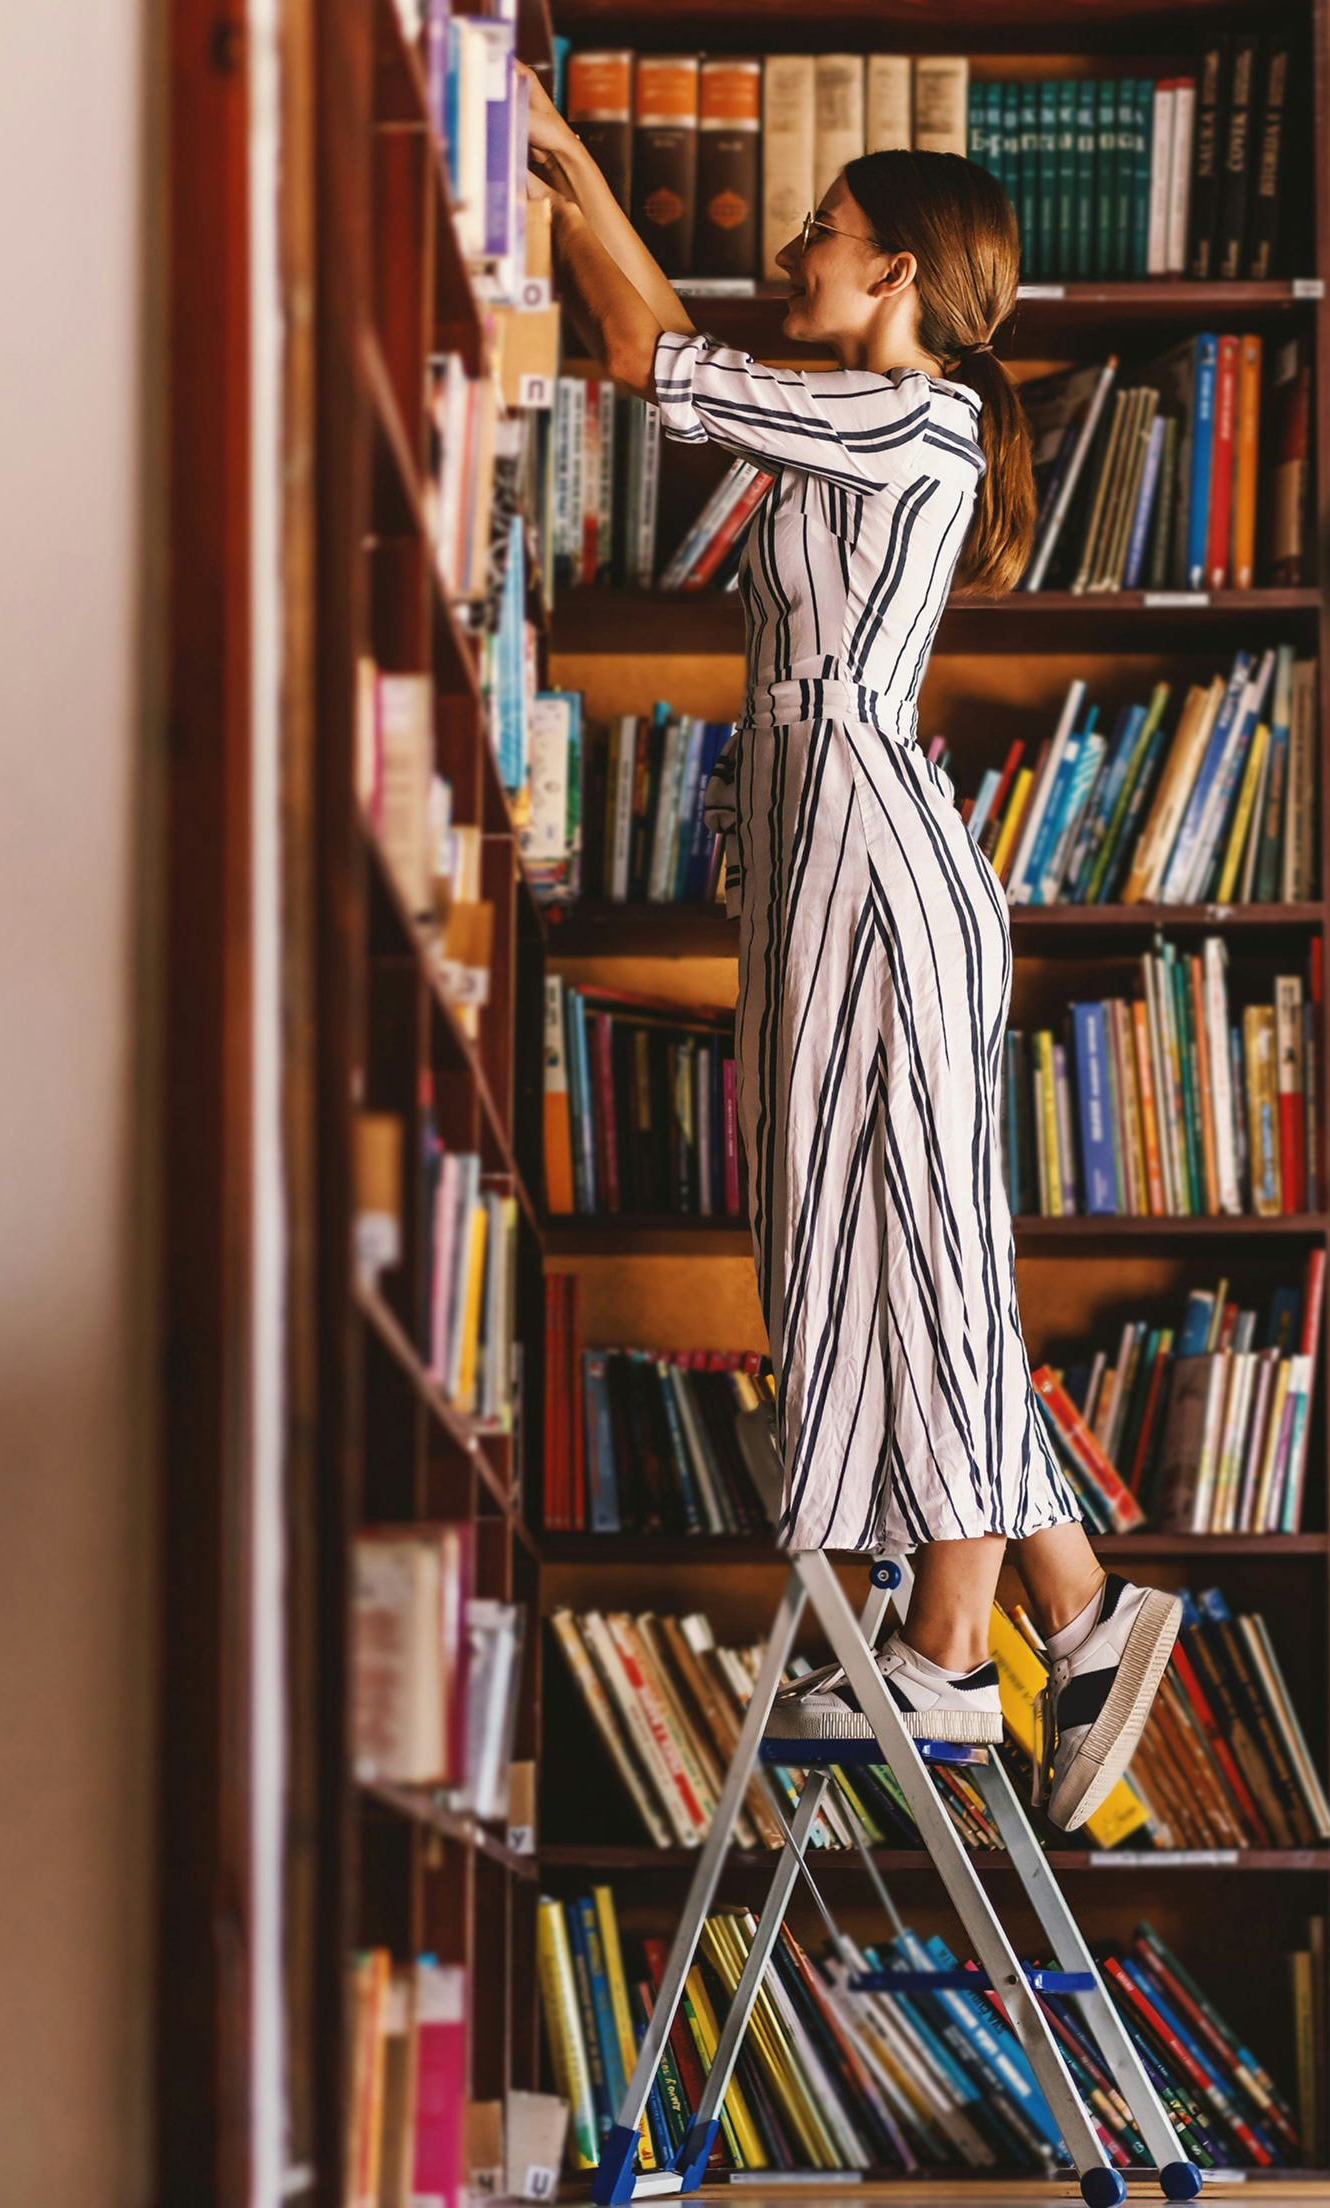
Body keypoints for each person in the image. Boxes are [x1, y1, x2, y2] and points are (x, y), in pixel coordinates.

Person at [524, 73, 1177, 1831]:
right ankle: (1074, 1601)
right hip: (825, 861)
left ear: (895, 274)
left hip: (877, 864)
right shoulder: (857, 419)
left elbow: (659, 359)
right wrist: (570, 187)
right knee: (870, 1231)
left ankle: (968, 1643)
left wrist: (573, 169)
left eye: (824, 231)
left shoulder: (919, 422)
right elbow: (660, 361)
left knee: (918, 1233)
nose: (797, 252)